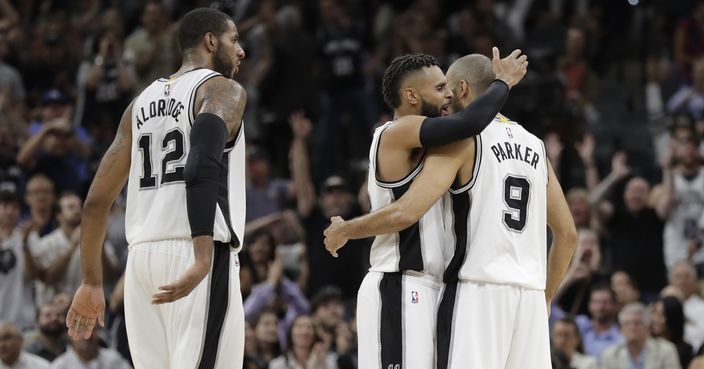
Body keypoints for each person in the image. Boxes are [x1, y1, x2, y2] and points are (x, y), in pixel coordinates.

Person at [324, 52, 573, 369]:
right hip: (403, 283)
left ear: (464, 89)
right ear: (412, 95)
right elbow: (567, 234)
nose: (447, 96)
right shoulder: (399, 132)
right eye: (440, 88)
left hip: (461, 291)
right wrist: (545, 297)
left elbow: (468, 124)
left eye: (449, 88)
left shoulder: (460, 140)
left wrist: (347, 229)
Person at [65, 7, 248, 369]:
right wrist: (201, 256)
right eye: (234, 40)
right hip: (194, 252)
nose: (241, 51)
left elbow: (96, 202)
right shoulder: (221, 89)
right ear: (211, 42)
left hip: (141, 263)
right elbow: (200, 164)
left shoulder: (139, 104)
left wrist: (90, 280)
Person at [601, 303, 681, 369]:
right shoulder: (610, 354)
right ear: (621, 329)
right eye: (627, 323)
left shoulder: (665, 350)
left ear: (647, 327)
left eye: (637, 323)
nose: (632, 328)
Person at [268, 314, 338, 369]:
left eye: (309, 327)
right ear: (290, 333)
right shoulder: (278, 365)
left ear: (315, 334)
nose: (304, 331)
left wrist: (322, 364)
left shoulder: (329, 360)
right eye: (299, 326)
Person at [576, 286, 624, 359]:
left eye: (605, 303)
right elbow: (552, 310)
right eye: (596, 302)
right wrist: (571, 278)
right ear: (589, 305)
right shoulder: (579, 325)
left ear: (615, 306)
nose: (600, 307)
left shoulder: (620, 337)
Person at [651, 296, 694, 368]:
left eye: (662, 315)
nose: (656, 319)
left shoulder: (685, 350)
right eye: (655, 313)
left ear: (673, 318)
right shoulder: (646, 344)